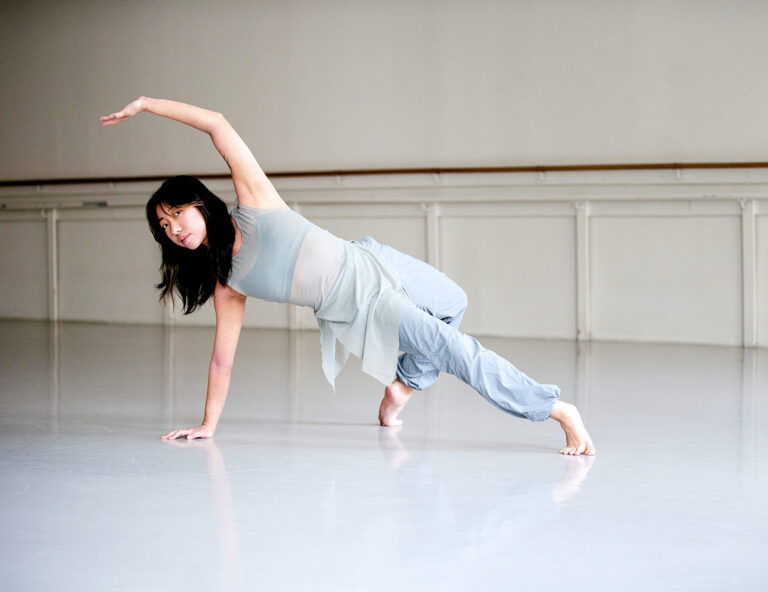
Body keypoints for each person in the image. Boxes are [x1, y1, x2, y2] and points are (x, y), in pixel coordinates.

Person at [99, 97, 596, 456]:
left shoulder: (254, 203)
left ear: (197, 202)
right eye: (164, 227)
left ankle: (403, 385)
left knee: (454, 301)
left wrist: (146, 104)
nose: (173, 230)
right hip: (364, 303)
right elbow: (221, 363)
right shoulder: (228, 284)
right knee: (458, 350)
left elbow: (218, 125)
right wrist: (208, 423)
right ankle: (557, 412)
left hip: (371, 258)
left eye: (176, 214)